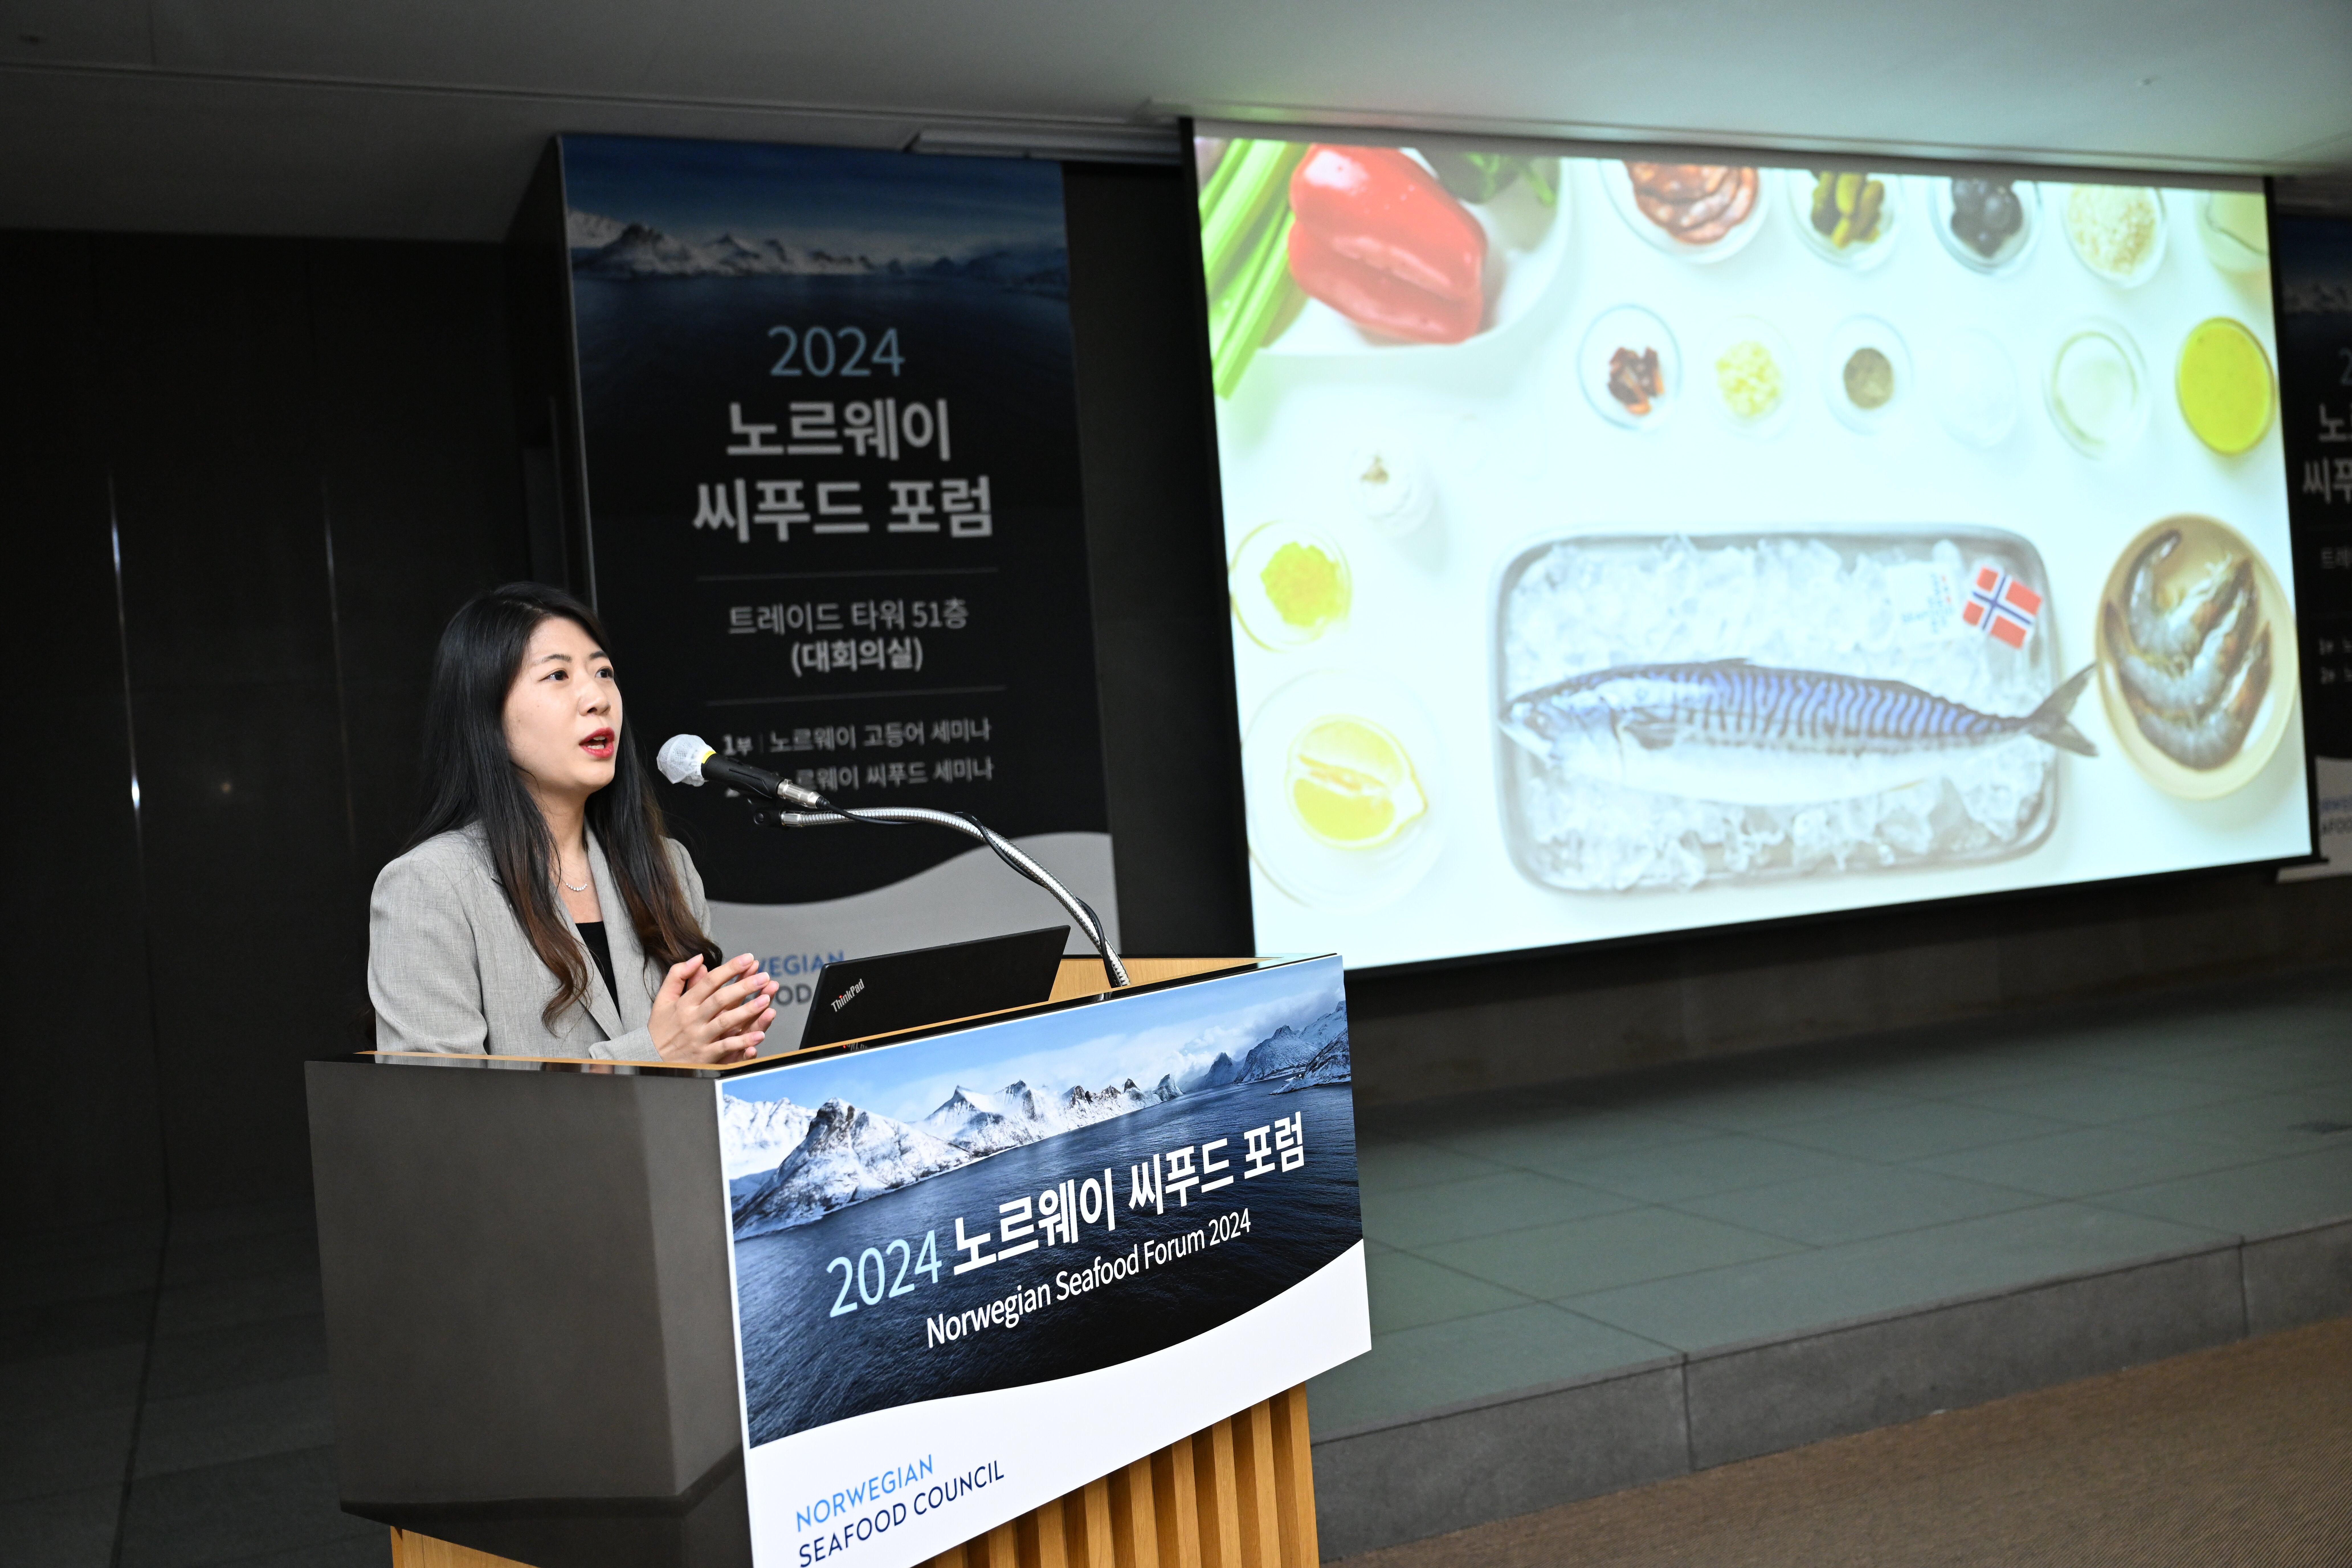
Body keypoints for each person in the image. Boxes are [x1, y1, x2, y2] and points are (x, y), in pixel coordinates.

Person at [369, 583, 778, 1063]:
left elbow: (694, 1066)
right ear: (486, 714)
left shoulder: (667, 865)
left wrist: (723, 1053)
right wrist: (653, 1054)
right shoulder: (430, 886)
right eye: (559, 675)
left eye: (604, 672)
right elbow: (439, 1113)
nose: (598, 698)